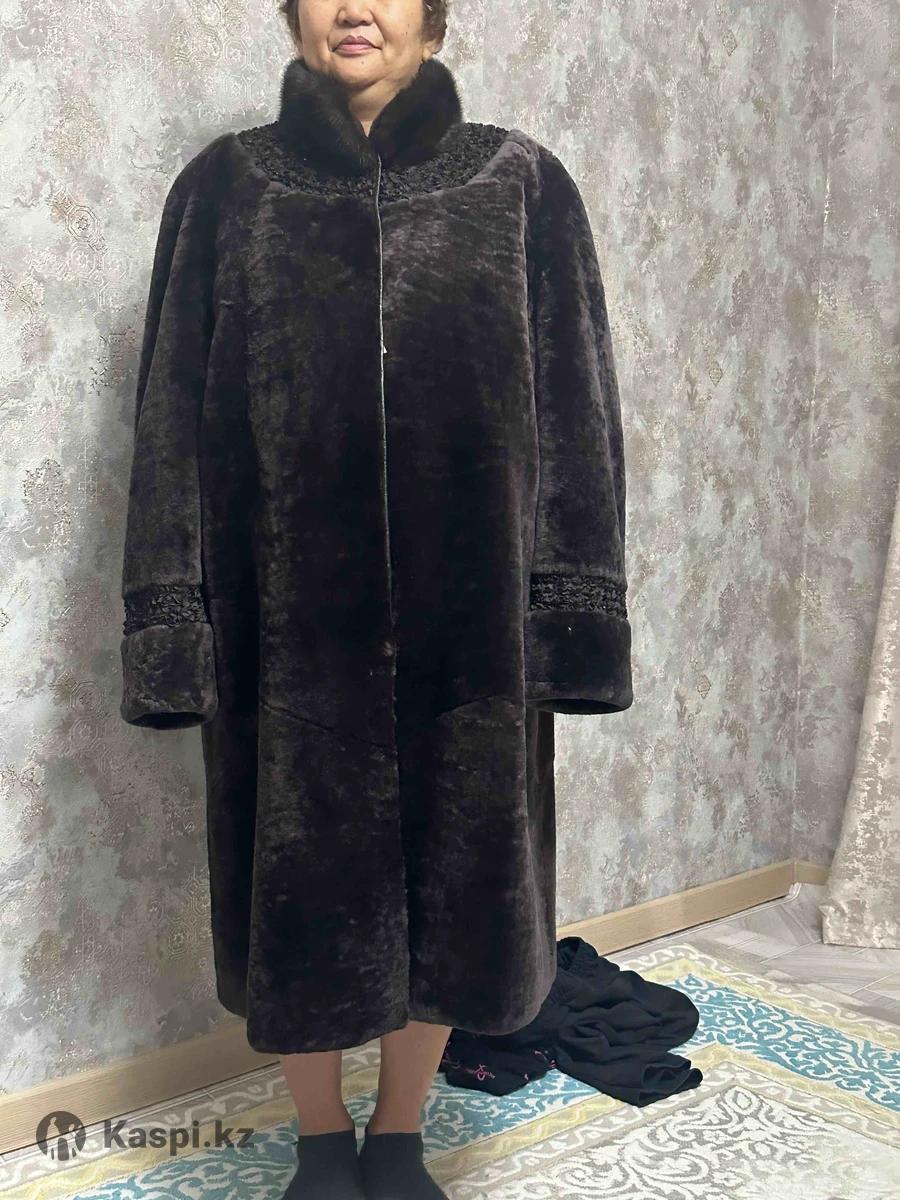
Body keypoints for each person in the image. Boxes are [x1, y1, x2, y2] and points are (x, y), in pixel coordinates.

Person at [119, 1, 633, 1196]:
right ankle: (318, 1141)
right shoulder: (223, 192)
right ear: (295, 14)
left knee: (459, 899)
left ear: (431, 19)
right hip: (285, 635)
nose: (356, 7)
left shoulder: (521, 187)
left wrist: (573, 611)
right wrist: (172, 622)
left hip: (476, 636)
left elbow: (578, 414)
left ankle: (400, 1135)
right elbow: (167, 425)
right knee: (300, 911)